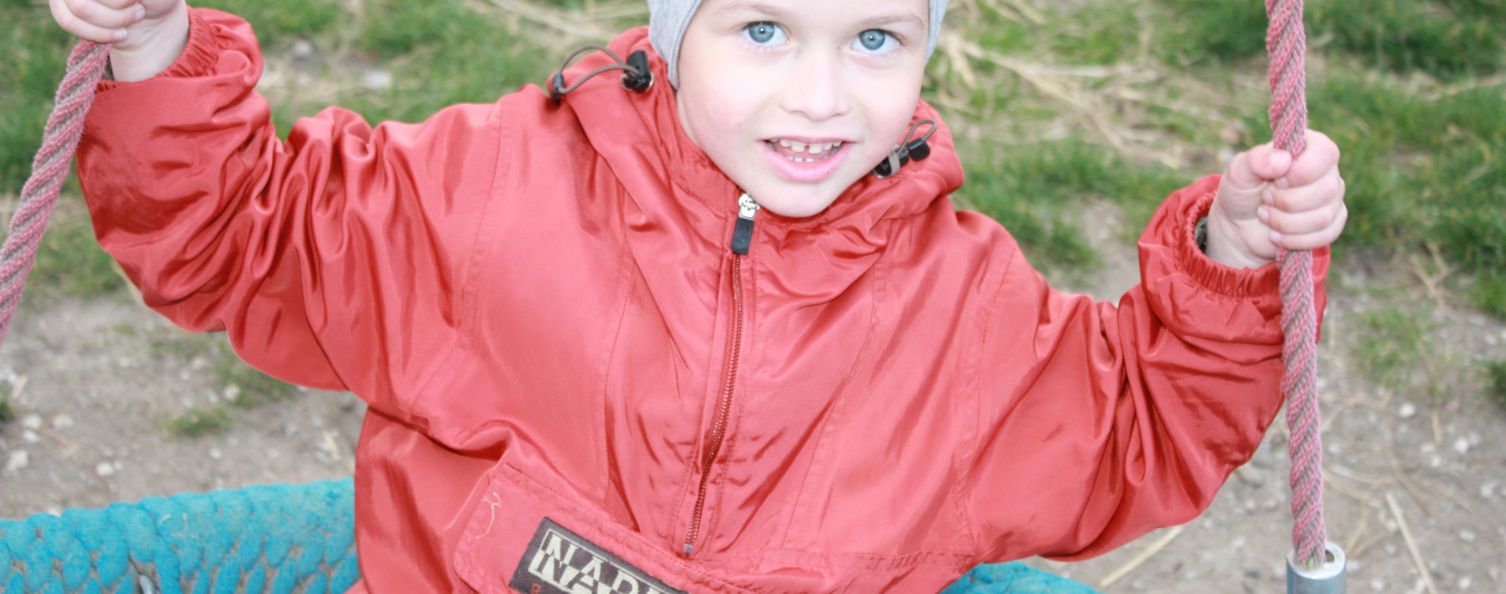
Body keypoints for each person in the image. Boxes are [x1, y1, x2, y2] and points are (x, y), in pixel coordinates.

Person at [51, 0, 1346, 592]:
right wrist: (152, 44)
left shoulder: (959, 312)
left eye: (875, 40)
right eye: (764, 32)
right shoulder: (491, 197)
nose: (821, 97)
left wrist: (1234, 254)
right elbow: (245, 233)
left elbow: (1134, 430)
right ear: (671, 43)